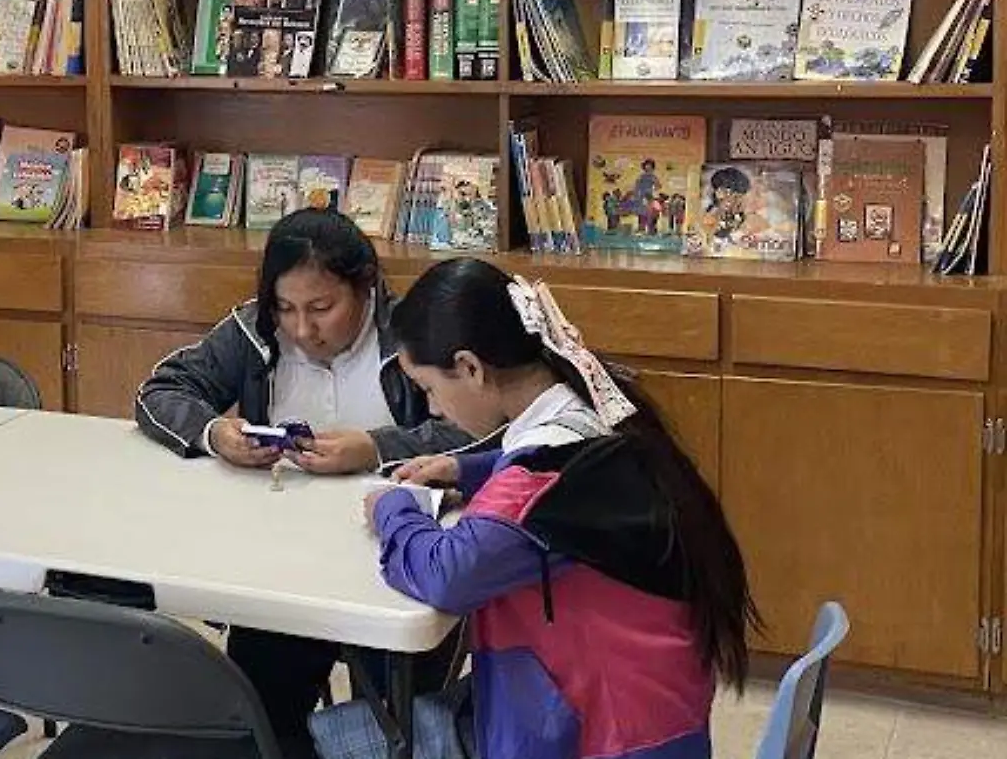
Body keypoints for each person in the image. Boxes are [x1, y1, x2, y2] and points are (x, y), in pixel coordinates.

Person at [372, 258, 756, 759]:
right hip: (654, 719)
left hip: (608, 736)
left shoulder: (542, 480)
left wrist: (394, 509)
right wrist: (466, 470)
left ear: (470, 367)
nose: (435, 409)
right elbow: (542, 480)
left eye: (429, 389)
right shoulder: (588, 411)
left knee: (386, 735)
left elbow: (449, 573)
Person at [133, 208, 475, 757]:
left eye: (322, 307)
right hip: (281, 561)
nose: (301, 329)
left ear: (367, 286)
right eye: (285, 307)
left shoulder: (414, 330)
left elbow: (476, 430)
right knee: (260, 707)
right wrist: (215, 432)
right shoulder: (253, 329)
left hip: (395, 557)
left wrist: (376, 448)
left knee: (393, 717)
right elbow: (160, 391)